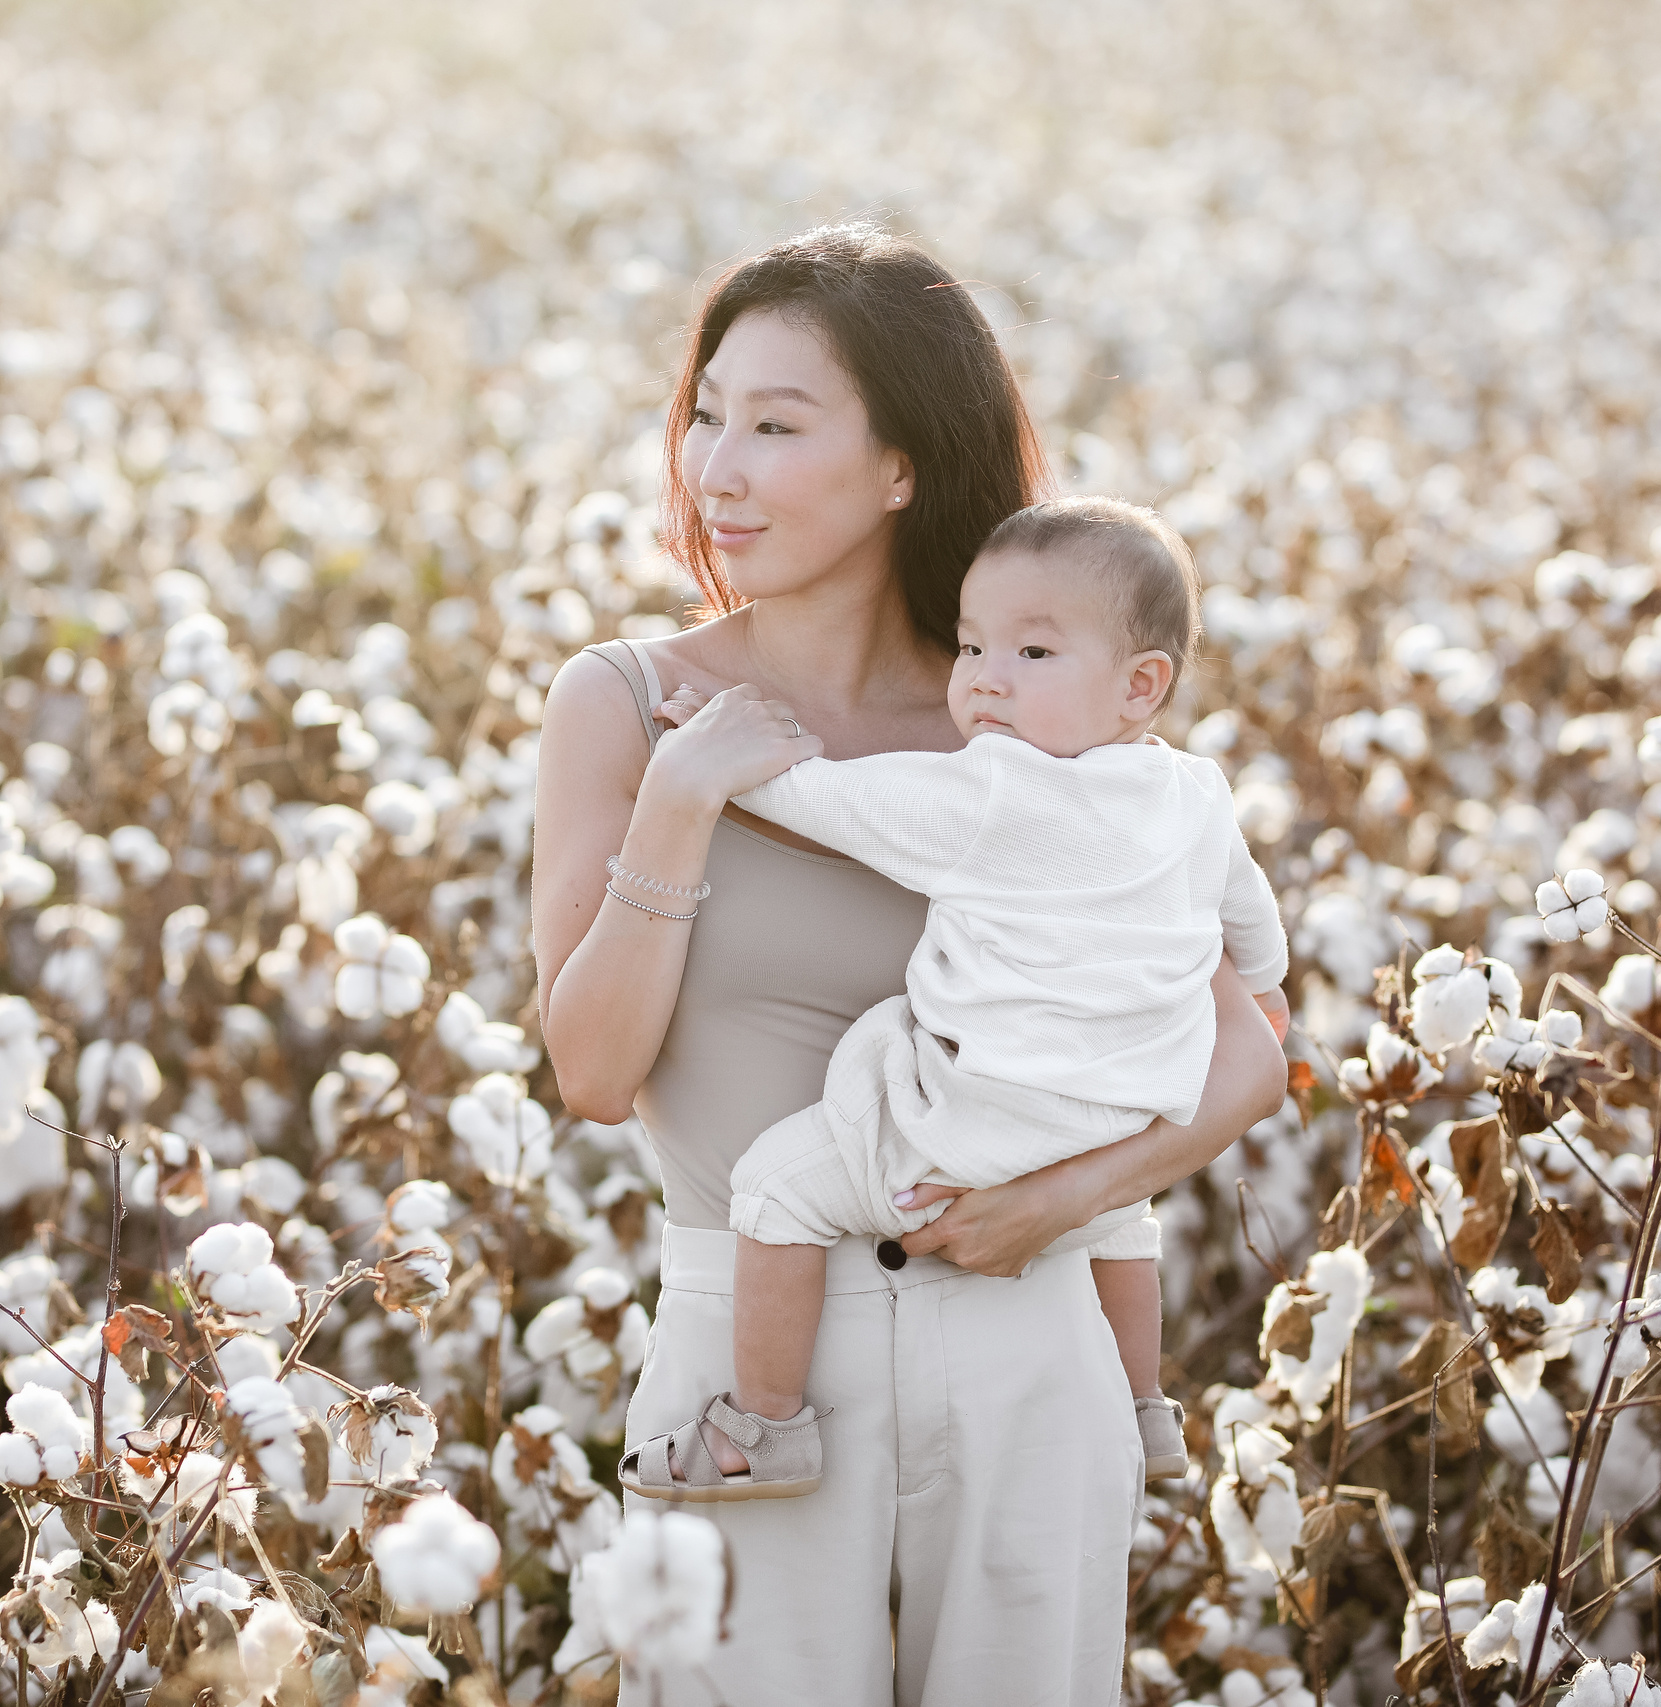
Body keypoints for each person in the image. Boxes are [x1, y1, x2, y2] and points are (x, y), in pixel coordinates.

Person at [532, 224, 1290, 1706]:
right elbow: (595, 1070)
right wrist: (686, 793)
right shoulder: (624, 701)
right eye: (705, 415)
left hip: (1024, 1332)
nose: (716, 468)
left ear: (901, 468)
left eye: (776, 425)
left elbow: (1250, 1044)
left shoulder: (1026, 698)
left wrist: (1050, 1207)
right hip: (749, 1351)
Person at [608, 496, 1290, 1512]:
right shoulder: (1192, 792)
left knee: (776, 1191)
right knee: (1115, 1221)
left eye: (1031, 654)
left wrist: (708, 756)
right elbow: (1251, 917)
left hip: (982, 1116)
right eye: (973, 647)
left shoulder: (993, 793)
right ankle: (1142, 1409)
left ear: (1142, 685)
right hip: (1126, 1106)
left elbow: (833, 803)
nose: (983, 678)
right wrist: (1267, 991)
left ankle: (762, 1425)